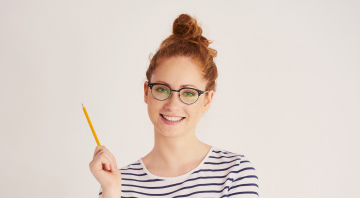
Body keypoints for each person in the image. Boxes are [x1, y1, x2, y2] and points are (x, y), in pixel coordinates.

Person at [89, 13, 259, 198]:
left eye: (188, 93)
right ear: (147, 92)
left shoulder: (234, 173)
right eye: (162, 89)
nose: (173, 104)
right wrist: (112, 189)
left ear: (207, 100)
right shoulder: (119, 183)